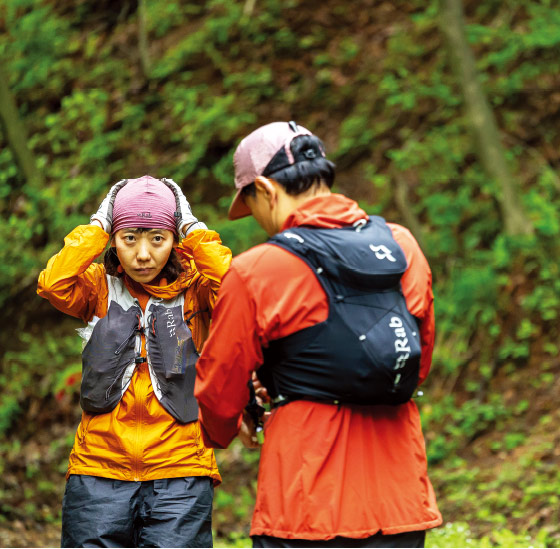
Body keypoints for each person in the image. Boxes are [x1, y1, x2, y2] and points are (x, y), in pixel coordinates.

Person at [195, 122, 442, 548]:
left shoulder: (257, 270)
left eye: (251, 205)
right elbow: (415, 360)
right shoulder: (402, 245)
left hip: (304, 503)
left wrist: (235, 422)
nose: (257, 222)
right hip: (400, 500)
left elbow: (218, 392)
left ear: (266, 190)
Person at [38, 175, 232, 548]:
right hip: (98, 468)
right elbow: (53, 283)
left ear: (175, 240)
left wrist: (192, 228)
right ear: (114, 239)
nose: (143, 254)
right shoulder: (97, 287)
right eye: (130, 239)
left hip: (181, 469)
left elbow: (237, 286)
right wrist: (99, 224)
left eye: (157, 239)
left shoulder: (197, 291)